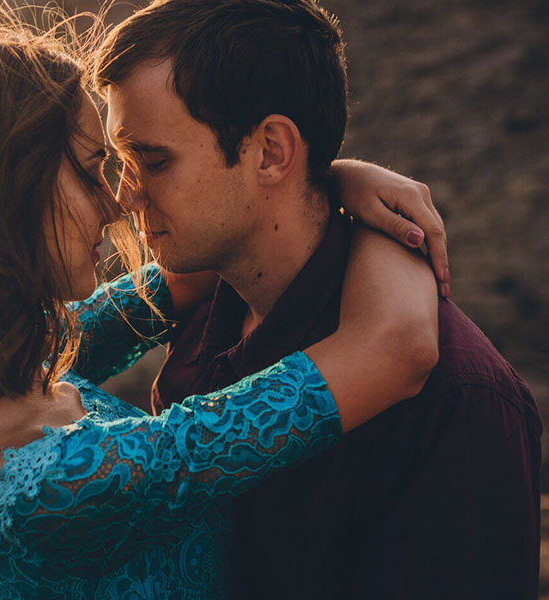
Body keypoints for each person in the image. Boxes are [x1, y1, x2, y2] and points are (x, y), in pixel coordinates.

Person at [0, 3, 443, 599]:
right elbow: (398, 348)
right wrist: (387, 213)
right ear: (3, 198)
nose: (116, 203)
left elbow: (183, 277)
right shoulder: (73, 482)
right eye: (89, 173)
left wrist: (326, 173)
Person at [95, 0, 542, 598]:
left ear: (273, 151)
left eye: (152, 160)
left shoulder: (457, 403)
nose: (124, 196)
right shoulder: (203, 305)